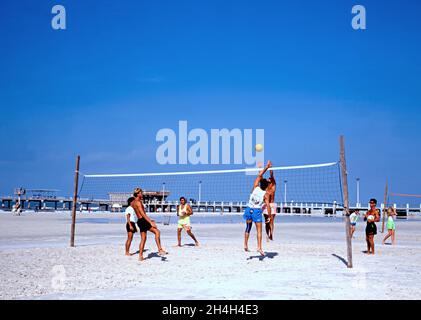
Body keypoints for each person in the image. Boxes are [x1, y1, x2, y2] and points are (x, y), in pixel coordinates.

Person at [243, 160, 273, 256]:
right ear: (267, 186)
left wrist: (266, 167)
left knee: (248, 227)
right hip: (256, 211)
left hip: (248, 209)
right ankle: (259, 247)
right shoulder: (266, 194)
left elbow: (260, 176)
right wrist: (269, 217)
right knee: (259, 231)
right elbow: (268, 206)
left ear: (260, 184)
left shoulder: (255, 186)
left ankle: (245, 245)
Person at [131, 187, 168, 261]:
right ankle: (160, 249)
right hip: (143, 220)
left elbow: (139, 214)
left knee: (143, 239)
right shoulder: (138, 202)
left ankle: (140, 256)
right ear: (137, 194)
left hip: (139, 221)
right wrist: (150, 222)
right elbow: (143, 214)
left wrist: (149, 220)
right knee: (157, 232)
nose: (142, 194)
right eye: (141, 193)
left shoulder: (133, 202)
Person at [263, 169, 277, 241]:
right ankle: (267, 234)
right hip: (265, 205)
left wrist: (270, 169)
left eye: (270, 179)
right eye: (268, 179)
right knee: (266, 221)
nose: (269, 179)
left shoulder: (273, 187)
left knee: (271, 220)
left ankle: (271, 233)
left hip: (272, 205)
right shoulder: (265, 187)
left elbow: (272, 175)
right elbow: (260, 177)